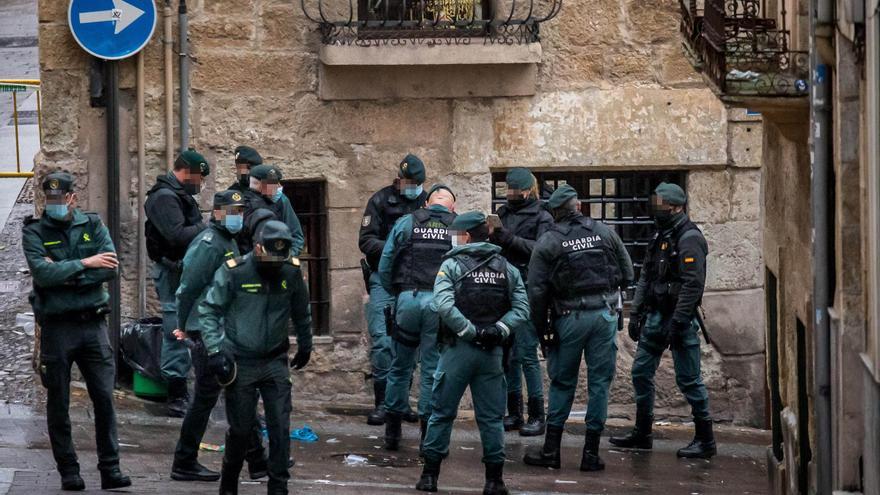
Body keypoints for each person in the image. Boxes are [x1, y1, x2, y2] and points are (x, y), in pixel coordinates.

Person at [22, 172, 131, 491]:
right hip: (57, 328)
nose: (55, 205)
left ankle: (110, 469)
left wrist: (65, 272)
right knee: (59, 401)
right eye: (49, 200)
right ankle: (69, 470)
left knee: (104, 399)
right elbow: (42, 275)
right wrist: (86, 264)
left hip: (92, 325)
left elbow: (110, 268)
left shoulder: (93, 225)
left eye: (61, 199)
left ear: (72, 198)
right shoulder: (34, 231)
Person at [523, 184, 634, 472]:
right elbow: (628, 273)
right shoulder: (605, 232)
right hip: (604, 316)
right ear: (579, 207)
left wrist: (542, 330)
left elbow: (535, 291)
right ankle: (591, 454)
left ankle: (551, 452)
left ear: (555, 213)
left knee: (562, 383)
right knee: (600, 385)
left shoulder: (548, 241)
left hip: (569, 317)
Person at [417, 211, 529, 494]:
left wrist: (468, 331)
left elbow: (442, 304)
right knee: (491, 418)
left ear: (465, 236)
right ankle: (495, 481)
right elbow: (522, 309)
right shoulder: (507, 268)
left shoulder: (452, 266)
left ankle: (429, 477)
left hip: (458, 350)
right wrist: (499, 330)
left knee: (441, 413)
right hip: (491, 352)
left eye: (455, 234)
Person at [199, 220, 313, 495]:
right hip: (241, 360)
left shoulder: (290, 271)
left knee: (280, 426)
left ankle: (278, 486)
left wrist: (306, 345)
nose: (274, 262)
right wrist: (215, 350)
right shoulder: (235, 272)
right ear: (257, 247)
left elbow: (301, 311)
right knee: (240, 430)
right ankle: (229, 483)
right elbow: (209, 310)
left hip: (275, 360)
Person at [169, 191, 272, 482]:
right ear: (216, 213)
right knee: (209, 396)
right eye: (231, 210)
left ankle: (257, 460)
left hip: (222, 329)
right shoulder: (209, 244)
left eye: (239, 210)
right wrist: (184, 325)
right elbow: (187, 287)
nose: (236, 216)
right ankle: (186, 460)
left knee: (237, 390)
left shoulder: (226, 241)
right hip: (207, 331)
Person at [609, 182, 715, 459]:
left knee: (689, 380)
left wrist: (679, 321)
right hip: (655, 317)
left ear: (677, 207)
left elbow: (693, 285)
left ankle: (706, 439)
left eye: (662, 206)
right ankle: (643, 433)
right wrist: (637, 313)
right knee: (641, 372)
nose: (657, 211)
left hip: (679, 318)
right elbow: (646, 276)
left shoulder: (689, 238)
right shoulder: (660, 235)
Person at [378, 184, 456, 452]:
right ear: (452, 207)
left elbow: (386, 261)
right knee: (432, 370)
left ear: (426, 204)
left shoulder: (406, 222)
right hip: (440, 304)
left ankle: (392, 431)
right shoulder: (457, 226)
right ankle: (426, 435)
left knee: (400, 366)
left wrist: (395, 293)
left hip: (408, 300)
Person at [358, 154, 428, 426]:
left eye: (416, 183)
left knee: (409, 343)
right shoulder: (380, 201)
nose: (411, 187)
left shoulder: (427, 203)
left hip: (413, 282)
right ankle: (382, 405)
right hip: (384, 279)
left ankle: (399, 403)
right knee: (383, 341)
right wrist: (395, 246)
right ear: (399, 180)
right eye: (407, 182)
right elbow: (365, 241)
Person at [144, 148, 209, 417]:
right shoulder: (164, 197)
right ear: (188, 172)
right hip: (173, 272)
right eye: (200, 178)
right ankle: (176, 393)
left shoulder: (176, 194)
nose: (201, 184)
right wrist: (207, 227)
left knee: (192, 327)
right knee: (175, 329)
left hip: (185, 271)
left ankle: (188, 389)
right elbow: (176, 236)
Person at [489, 168, 552, 436]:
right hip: (503, 287)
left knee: (526, 353)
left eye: (516, 190)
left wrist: (510, 239)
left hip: (527, 289)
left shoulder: (542, 216)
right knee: (507, 354)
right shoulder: (503, 214)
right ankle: (513, 412)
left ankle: (537, 414)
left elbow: (542, 251)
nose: (512, 195)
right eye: (509, 190)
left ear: (528, 190)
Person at [239, 164, 304, 256]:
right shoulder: (242, 205)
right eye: (273, 183)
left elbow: (296, 237)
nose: (279, 186)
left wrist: (287, 258)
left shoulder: (280, 200)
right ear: (260, 184)